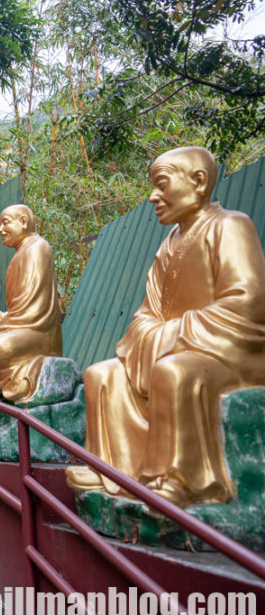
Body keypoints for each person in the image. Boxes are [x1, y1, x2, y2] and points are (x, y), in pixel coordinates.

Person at [66, 146, 265, 506]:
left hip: (228, 352)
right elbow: (146, 314)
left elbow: (247, 303)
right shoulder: (168, 245)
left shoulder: (230, 226)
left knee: (173, 372)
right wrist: (158, 337)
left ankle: (178, 479)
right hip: (178, 346)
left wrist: (168, 336)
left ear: (198, 181)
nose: (153, 196)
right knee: (101, 375)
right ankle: (109, 467)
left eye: (161, 184)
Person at [0, 205, 62, 402]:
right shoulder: (20, 254)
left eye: (5, 223)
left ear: (23, 221)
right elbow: (18, 307)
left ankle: (0, 385)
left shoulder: (38, 248)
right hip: (21, 324)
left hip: (39, 332)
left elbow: (32, 308)